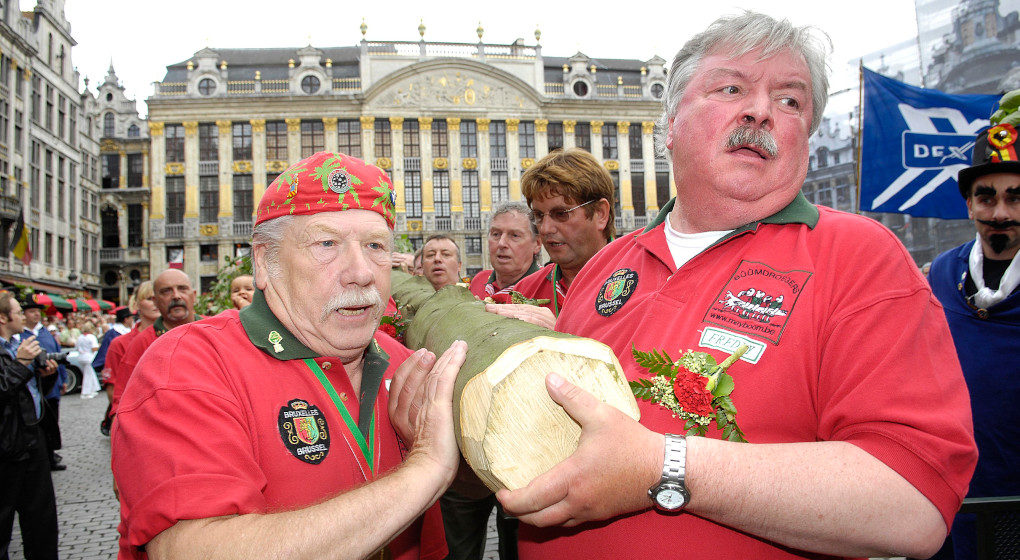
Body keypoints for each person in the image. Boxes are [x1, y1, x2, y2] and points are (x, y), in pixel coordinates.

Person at [496, 12, 977, 560]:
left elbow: (914, 502)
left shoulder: (859, 256)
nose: (761, 110)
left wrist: (665, 466)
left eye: (790, 100)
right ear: (670, 123)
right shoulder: (606, 266)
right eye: (731, 88)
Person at [111, 151, 466, 559]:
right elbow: (192, 548)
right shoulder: (189, 365)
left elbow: (469, 490)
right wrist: (424, 471)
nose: (361, 271)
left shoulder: (408, 362)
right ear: (265, 262)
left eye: (375, 245)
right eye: (327, 244)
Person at [927, 118, 1020, 560]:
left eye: (1015, 198)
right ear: (969, 205)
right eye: (986, 197)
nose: (1000, 213)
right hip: (951, 496)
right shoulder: (942, 273)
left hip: (1013, 500)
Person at [486, 148, 615, 329]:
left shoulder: (642, 281)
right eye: (539, 215)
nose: (545, 229)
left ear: (600, 213)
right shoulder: (523, 292)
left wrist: (558, 335)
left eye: (561, 214)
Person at [0, 292, 59, 559]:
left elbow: (30, 391)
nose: (23, 317)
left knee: (42, 520)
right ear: (3, 318)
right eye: (17, 312)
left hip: (33, 437)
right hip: (6, 446)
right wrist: (22, 363)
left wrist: (46, 375)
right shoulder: (16, 352)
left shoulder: (19, 343)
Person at [111, 269, 202, 420]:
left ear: (194, 295)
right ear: (155, 301)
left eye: (182, 289)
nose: (176, 296)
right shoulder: (141, 343)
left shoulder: (217, 330)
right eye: (166, 291)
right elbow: (121, 402)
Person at [19, 300, 68, 471]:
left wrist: (63, 379)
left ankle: (51, 453)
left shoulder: (46, 333)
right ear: (24, 314)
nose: (36, 314)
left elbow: (58, 355)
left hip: (51, 386)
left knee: (52, 421)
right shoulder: (21, 335)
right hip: (33, 388)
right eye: (31, 311)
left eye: (37, 311)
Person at [103, 282, 158, 433]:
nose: (156, 303)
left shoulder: (177, 336)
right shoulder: (120, 344)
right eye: (149, 299)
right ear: (137, 304)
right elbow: (113, 390)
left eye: (158, 297)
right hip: (138, 421)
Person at [468, 202, 541, 299]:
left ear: (537, 244)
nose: (501, 243)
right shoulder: (479, 281)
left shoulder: (549, 288)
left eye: (515, 235)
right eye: (496, 234)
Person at [75, 322, 101, 399]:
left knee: (90, 374)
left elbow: (76, 347)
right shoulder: (91, 337)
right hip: (89, 357)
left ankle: (93, 389)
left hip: (81, 357)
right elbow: (94, 348)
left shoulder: (80, 337)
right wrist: (99, 346)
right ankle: (86, 392)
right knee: (88, 375)